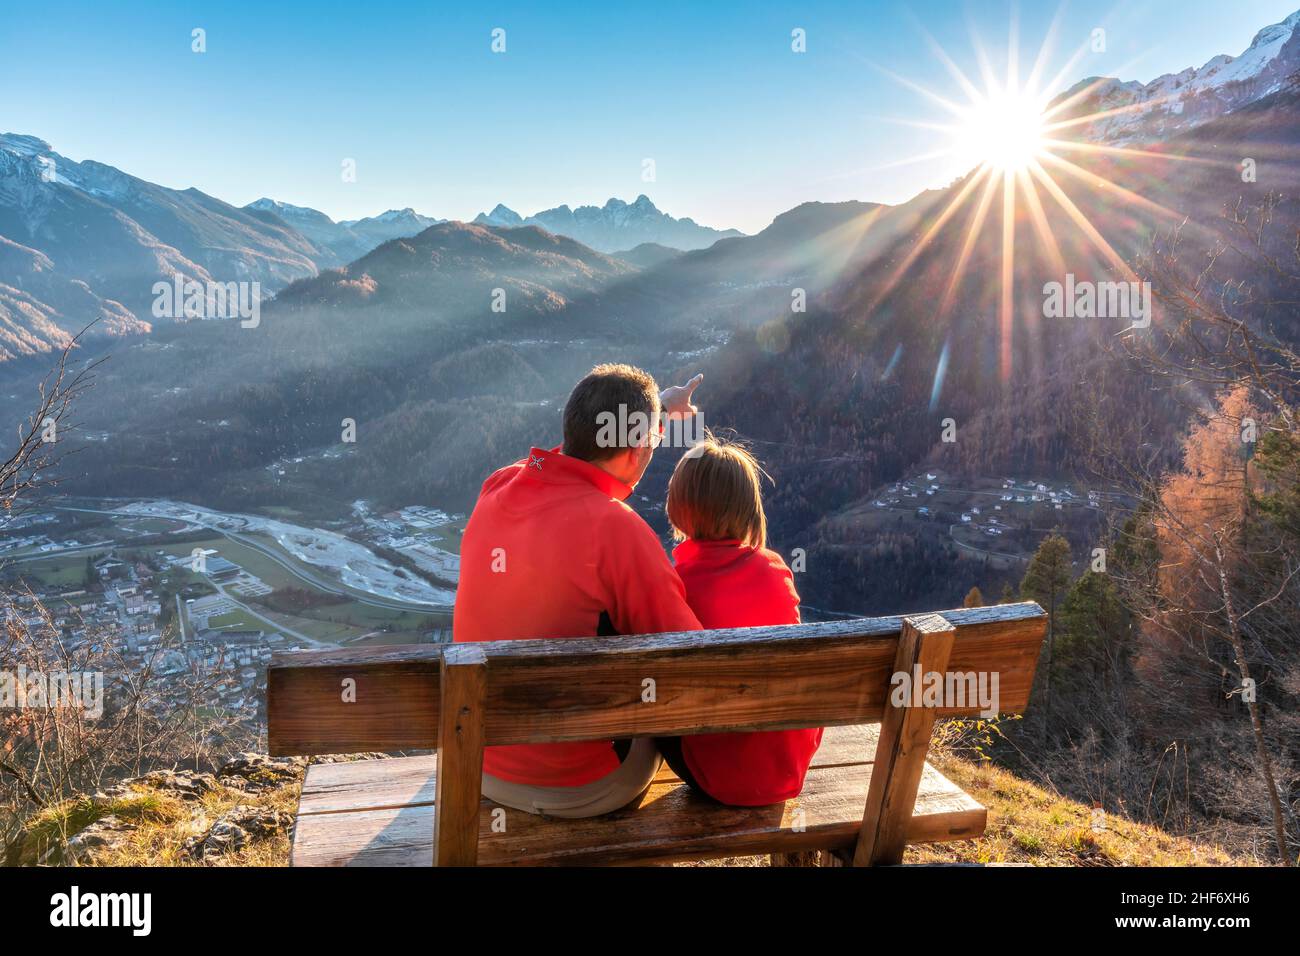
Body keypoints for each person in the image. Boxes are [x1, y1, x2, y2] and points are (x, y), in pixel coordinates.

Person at [453, 363, 704, 818]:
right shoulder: (617, 530)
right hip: (582, 788)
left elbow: (578, 453)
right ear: (636, 450)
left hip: (479, 765)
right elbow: (689, 658)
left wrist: (657, 412)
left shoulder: (498, 485)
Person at [655, 436, 824, 806]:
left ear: (677, 506)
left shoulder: (673, 586)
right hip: (786, 768)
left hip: (719, 777)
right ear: (748, 507)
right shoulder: (777, 569)